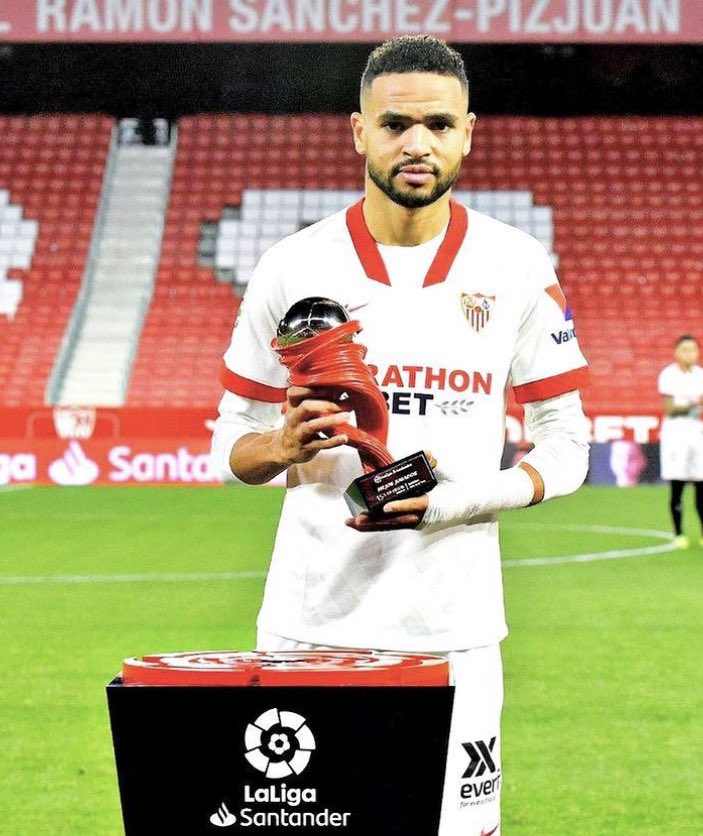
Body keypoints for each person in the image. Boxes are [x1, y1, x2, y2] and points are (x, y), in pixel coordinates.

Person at [211, 35, 590, 836]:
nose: (417, 142)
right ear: (359, 131)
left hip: (454, 632)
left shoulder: (517, 265)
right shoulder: (290, 266)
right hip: (308, 630)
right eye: (394, 124)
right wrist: (278, 448)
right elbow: (228, 443)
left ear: (467, 133)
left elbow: (566, 444)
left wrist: (455, 502)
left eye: (438, 124)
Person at [657, 334, 703, 549]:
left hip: (696, 431)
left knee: (701, 485)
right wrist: (695, 403)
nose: (690, 354)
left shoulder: (700, 375)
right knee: (677, 486)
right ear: (676, 353)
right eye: (685, 350)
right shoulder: (668, 375)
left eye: (693, 350)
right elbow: (669, 409)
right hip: (675, 434)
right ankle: (679, 533)